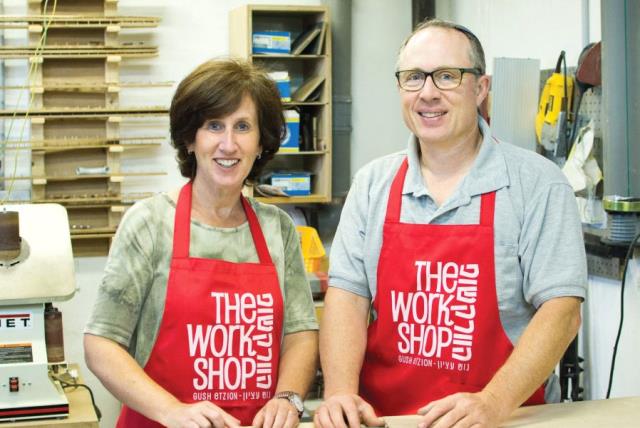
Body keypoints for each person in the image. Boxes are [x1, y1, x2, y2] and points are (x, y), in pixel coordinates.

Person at [315, 19, 587, 428]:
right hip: (388, 418)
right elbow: (348, 297)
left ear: (480, 88)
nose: (428, 93)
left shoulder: (538, 184)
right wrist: (338, 394)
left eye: (447, 76)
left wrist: (493, 402)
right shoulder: (373, 184)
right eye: (413, 78)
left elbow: (562, 310)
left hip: (504, 417)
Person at [84, 59, 318, 428]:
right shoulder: (150, 223)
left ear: (261, 143)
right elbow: (101, 345)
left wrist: (287, 397)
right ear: (190, 139)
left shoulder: (278, 229)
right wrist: (172, 411)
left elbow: (300, 332)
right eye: (214, 126)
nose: (229, 144)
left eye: (243, 126)